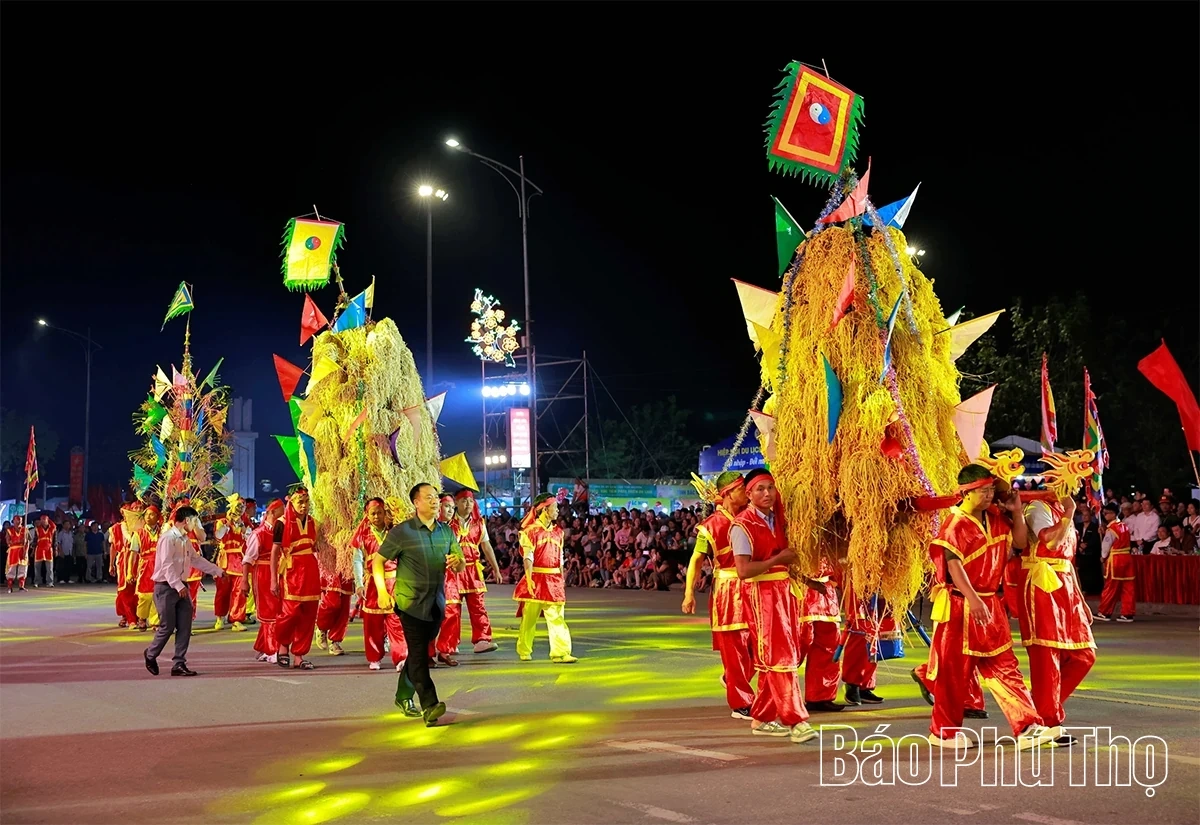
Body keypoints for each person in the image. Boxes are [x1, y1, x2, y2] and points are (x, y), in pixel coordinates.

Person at [925, 464, 1053, 750]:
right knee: (953, 673)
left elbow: (1020, 542)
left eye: (991, 491)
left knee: (1006, 667)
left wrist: (1017, 511)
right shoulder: (954, 524)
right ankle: (942, 732)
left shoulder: (997, 520)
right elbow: (952, 562)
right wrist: (972, 598)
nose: (989, 495)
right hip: (960, 605)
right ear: (966, 493)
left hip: (990, 605)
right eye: (984, 491)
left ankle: (1028, 726)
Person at [730, 469, 816, 744]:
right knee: (780, 657)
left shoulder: (778, 520)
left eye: (770, 488)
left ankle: (763, 717)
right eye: (760, 489)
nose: (766, 494)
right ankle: (796, 720)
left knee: (783, 654)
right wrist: (778, 558)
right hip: (762, 597)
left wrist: (809, 582)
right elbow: (743, 571)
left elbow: (786, 562)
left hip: (784, 593)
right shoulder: (742, 525)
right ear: (748, 494)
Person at [374, 483, 466, 726]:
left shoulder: (446, 532)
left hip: (436, 603)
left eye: (436, 497)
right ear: (416, 503)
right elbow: (377, 560)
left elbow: (460, 564)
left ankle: (403, 695)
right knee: (419, 656)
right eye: (429, 498)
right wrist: (382, 591)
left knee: (418, 655)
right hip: (410, 604)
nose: (435, 501)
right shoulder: (402, 532)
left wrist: (457, 562)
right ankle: (431, 705)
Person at [1017, 486, 1096, 745]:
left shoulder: (1061, 511)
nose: (1074, 489)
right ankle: (1049, 722)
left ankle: (1038, 708)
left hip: (1066, 586)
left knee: (1084, 655)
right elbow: (1049, 541)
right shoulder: (1038, 508)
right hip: (1042, 583)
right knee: (1046, 656)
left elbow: (1068, 561)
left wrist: (1081, 601)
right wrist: (1070, 511)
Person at [681, 471, 754, 719]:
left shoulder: (752, 517)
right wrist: (689, 593)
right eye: (742, 488)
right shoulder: (710, 527)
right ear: (727, 493)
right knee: (734, 649)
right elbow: (696, 561)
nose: (748, 492)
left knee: (757, 645)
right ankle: (741, 702)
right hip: (728, 592)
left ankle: (731, 679)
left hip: (754, 586)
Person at [143, 506, 225, 677]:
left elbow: (196, 559)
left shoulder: (185, 540)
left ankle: (179, 663)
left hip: (182, 586)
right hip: (166, 587)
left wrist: (217, 571)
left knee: (185, 626)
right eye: (195, 521)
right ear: (186, 520)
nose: (195, 525)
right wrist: (178, 586)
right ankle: (151, 654)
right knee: (167, 626)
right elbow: (166, 566)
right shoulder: (168, 539)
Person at [513, 493, 577, 663]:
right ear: (544, 509)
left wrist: (561, 578)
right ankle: (524, 649)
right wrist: (528, 578)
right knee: (529, 618)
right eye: (554, 508)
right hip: (536, 577)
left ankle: (561, 652)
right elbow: (528, 557)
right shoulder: (530, 531)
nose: (557, 511)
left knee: (557, 616)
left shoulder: (558, 532)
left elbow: (560, 557)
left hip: (554, 579)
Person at [442, 489, 504, 655]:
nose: (468, 504)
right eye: (463, 501)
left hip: (473, 570)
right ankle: (450, 643)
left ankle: (482, 640)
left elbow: (486, 547)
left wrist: (496, 569)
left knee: (478, 606)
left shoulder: (479, 523)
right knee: (452, 609)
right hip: (453, 570)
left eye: (470, 501)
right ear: (456, 502)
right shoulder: (447, 522)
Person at [352, 498, 407, 672]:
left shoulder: (395, 533)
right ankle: (374, 657)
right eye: (373, 513)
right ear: (367, 515)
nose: (376, 516)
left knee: (396, 620)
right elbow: (357, 561)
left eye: (380, 513)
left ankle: (401, 657)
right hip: (372, 584)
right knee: (372, 622)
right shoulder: (362, 535)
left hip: (394, 582)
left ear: (385, 513)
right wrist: (359, 583)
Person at [271, 488, 322, 670]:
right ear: (291, 502)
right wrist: (273, 580)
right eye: (300, 502)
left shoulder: (314, 523)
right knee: (289, 614)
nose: (303, 506)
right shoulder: (282, 523)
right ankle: (283, 645)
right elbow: (275, 552)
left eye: (306, 502)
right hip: (291, 572)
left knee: (308, 615)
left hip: (310, 571)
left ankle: (300, 655)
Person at [797, 555, 843, 713]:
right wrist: (809, 582)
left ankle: (820, 697)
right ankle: (777, 696)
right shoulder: (789, 530)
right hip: (800, 591)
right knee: (794, 647)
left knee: (829, 646)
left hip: (826, 593)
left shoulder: (832, 533)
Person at [243, 498, 285, 663]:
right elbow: (247, 560)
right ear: (273, 512)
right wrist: (244, 581)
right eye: (283, 510)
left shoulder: (281, 529)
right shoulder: (258, 534)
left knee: (277, 611)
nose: (286, 513)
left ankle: (262, 646)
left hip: (279, 572)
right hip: (263, 574)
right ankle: (271, 650)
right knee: (270, 613)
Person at [212, 495, 250, 632]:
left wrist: (242, 526)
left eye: (243, 506)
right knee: (223, 591)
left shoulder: (244, 523)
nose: (240, 509)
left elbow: (249, 537)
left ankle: (237, 619)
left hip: (239, 560)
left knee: (239, 591)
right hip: (225, 559)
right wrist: (228, 524)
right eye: (238, 506)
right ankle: (220, 617)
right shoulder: (222, 522)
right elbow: (219, 536)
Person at [1096, 502, 1135, 621]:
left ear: (1113, 514)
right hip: (1127, 559)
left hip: (1116, 560)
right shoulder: (1124, 526)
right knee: (1128, 587)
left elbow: (1106, 545)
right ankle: (1127, 613)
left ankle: (1104, 612)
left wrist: (1103, 556)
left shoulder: (1112, 529)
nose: (1105, 515)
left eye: (1106, 513)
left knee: (1111, 587)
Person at [109, 503, 146, 628]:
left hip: (142, 560)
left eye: (141, 508)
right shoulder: (117, 528)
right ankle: (129, 617)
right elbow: (113, 547)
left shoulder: (146, 526)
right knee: (125, 590)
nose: (138, 510)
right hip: (124, 561)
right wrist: (111, 564)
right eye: (136, 508)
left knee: (141, 590)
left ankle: (140, 617)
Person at [134, 505, 163, 631]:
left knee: (157, 594)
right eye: (146, 515)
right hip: (145, 567)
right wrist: (130, 571)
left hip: (159, 566)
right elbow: (133, 554)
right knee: (144, 595)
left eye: (151, 514)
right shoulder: (138, 534)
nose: (148, 517)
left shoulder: (163, 532)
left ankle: (155, 621)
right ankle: (141, 617)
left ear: (157, 517)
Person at [5, 516, 29, 593]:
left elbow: (28, 542)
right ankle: (9, 587)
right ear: (13, 521)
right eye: (17, 520)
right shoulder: (9, 530)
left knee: (23, 568)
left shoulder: (25, 530)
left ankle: (21, 586)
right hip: (13, 551)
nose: (19, 522)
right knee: (11, 569)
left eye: (20, 520)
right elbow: (8, 541)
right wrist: (16, 541)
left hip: (23, 550)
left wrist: (26, 551)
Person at [32, 515, 56, 588]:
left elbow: (55, 540)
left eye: (45, 520)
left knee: (49, 568)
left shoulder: (52, 528)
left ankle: (50, 582)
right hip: (39, 549)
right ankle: (36, 582)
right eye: (42, 520)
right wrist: (33, 549)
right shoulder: (37, 529)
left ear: (48, 520)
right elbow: (35, 540)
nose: (43, 521)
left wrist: (56, 549)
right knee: (37, 567)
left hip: (48, 549)